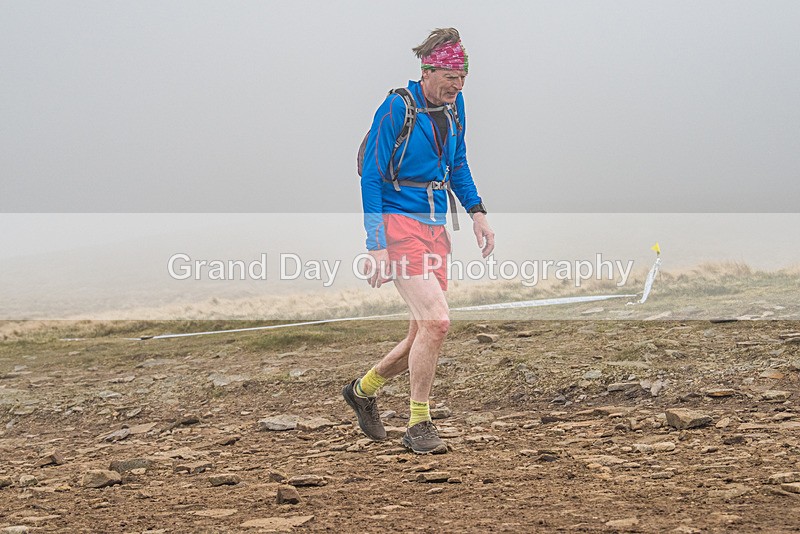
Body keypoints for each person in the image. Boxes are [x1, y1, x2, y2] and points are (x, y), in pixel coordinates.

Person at [343, 28, 494, 454]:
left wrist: (478, 213)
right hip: (397, 226)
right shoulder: (396, 107)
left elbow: (458, 162)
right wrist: (376, 245)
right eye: (451, 76)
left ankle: (362, 390)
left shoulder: (455, 106)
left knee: (422, 333)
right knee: (438, 322)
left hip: (435, 227)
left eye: (463, 77)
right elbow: (372, 177)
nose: (458, 85)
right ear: (428, 70)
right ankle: (419, 424)